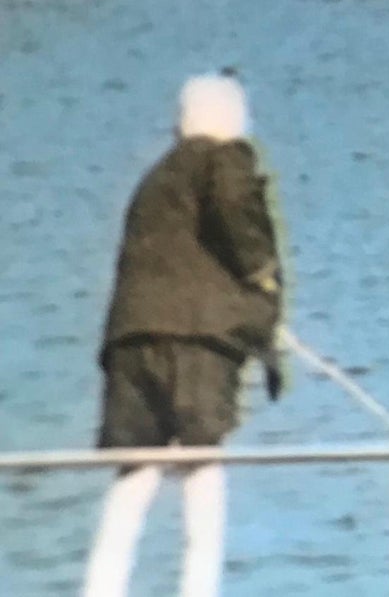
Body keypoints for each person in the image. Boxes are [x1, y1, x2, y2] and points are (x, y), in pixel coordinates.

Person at [82, 73, 285, 597]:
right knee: (202, 467)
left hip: (132, 341)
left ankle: (100, 589)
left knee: (136, 474)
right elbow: (239, 216)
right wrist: (262, 276)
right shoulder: (224, 160)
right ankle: (200, 591)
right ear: (232, 121)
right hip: (197, 344)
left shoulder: (153, 181)